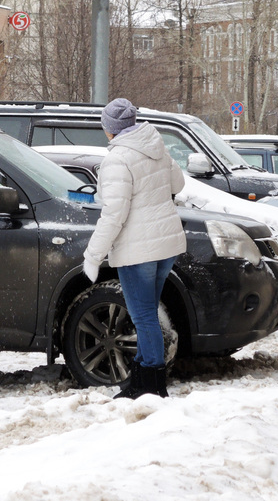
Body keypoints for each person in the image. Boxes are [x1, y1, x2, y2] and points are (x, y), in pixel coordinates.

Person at [82, 98, 186, 400]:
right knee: (148, 313)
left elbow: (114, 214)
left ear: (109, 128)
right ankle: (141, 377)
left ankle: (152, 384)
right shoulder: (155, 145)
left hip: (138, 248)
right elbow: (177, 185)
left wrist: (93, 256)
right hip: (165, 245)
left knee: (143, 317)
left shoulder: (118, 159)